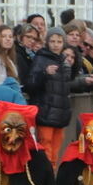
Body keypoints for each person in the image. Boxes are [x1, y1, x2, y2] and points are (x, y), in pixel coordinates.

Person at [25, 27, 72, 164]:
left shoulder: (64, 61)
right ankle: (47, 180)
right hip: (45, 112)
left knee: (56, 150)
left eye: (59, 41)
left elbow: (67, 84)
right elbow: (30, 84)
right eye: (52, 41)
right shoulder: (41, 59)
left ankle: (52, 179)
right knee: (45, 148)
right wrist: (44, 73)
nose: (56, 44)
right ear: (47, 42)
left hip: (60, 113)